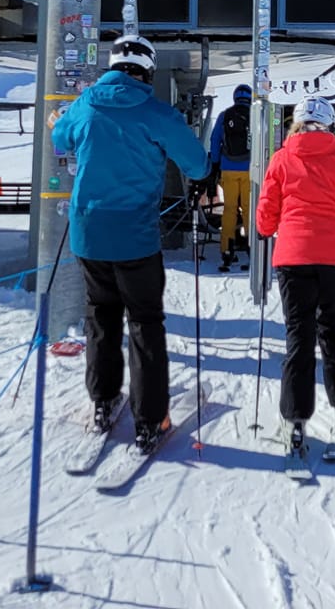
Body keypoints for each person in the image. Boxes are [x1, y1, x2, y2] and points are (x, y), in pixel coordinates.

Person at [49, 33, 210, 457]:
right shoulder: (155, 111)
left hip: (88, 232)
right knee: (144, 323)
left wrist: (59, 122)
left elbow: (59, 140)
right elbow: (195, 161)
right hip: (135, 235)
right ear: (147, 68)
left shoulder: (84, 104)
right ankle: (150, 419)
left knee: (100, 316)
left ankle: (102, 403)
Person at [254, 94, 335, 453]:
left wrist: (264, 228)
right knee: (334, 331)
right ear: (330, 125)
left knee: (298, 336)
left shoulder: (282, 158)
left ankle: (295, 417)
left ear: (297, 124)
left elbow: (266, 212)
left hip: (293, 257)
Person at [206, 83, 255, 271]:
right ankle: (252, 252)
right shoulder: (256, 116)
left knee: (229, 210)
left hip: (228, 169)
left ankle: (227, 251)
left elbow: (214, 140)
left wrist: (216, 164)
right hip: (251, 170)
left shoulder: (224, 115)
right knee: (249, 210)